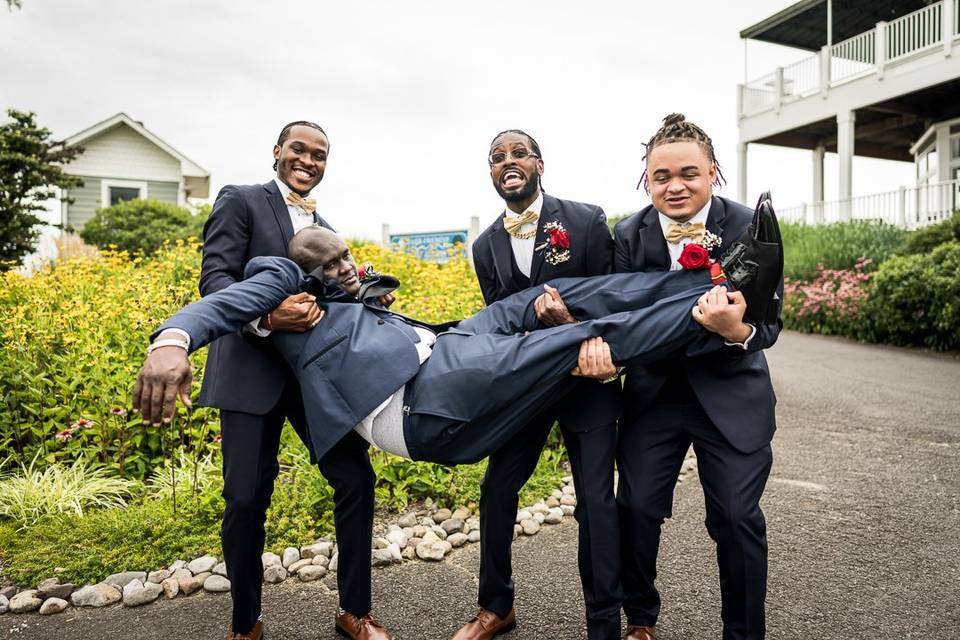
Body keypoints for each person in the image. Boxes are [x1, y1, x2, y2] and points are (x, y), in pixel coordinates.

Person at [136, 216, 781, 468]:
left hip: (441, 352)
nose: (344, 270)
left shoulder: (350, 285)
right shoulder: (276, 276)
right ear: (298, 270)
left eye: (345, 258)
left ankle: (715, 277)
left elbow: (360, 290)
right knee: (577, 339)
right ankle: (716, 312)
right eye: (329, 266)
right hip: (416, 398)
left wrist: (355, 282)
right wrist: (174, 340)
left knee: (549, 297)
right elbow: (232, 301)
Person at [195, 121, 391, 640]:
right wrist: (265, 318)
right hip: (249, 373)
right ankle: (246, 624)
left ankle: (355, 611)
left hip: (311, 381)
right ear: (277, 151)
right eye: (298, 150)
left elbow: (326, 299)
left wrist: (364, 293)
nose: (308, 160)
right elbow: (216, 279)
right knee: (244, 499)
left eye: (319, 154)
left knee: (355, 479)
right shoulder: (240, 199)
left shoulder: (323, 224)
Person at [611, 114, 783, 640]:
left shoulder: (750, 227)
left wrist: (737, 331)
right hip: (654, 395)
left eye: (689, 172)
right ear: (647, 180)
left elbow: (769, 322)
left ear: (714, 173)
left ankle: (744, 633)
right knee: (635, 508)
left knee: (736, 517)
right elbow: (620, 315)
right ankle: (640, 619)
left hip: (730, 391)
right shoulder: (627, 233)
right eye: (661, 176)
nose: (675, 185)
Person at [462, 128, 624, 640]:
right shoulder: (485, 245)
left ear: (540, 164)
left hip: (586, 382)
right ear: (491, 172)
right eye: (496, 157)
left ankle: (603, 623)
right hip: (525, 393)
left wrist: (569, 321)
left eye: (517, 153)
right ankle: (496, 606)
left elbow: (613, 301)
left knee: (596, 502)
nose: (507, 162)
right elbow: (500, 321)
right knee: (496, 489)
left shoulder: (585, 220)